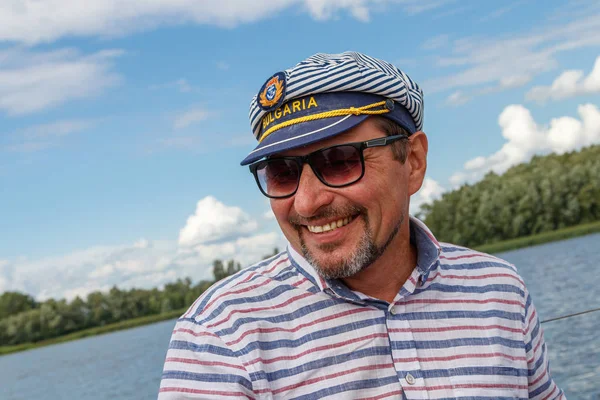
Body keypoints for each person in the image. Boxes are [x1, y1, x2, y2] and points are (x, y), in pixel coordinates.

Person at [159, 52, 564, 399]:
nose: (306, 202)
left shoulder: (500, 290)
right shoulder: (219, 337)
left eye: (339, 160)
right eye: (282, 172)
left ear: (414, 162)